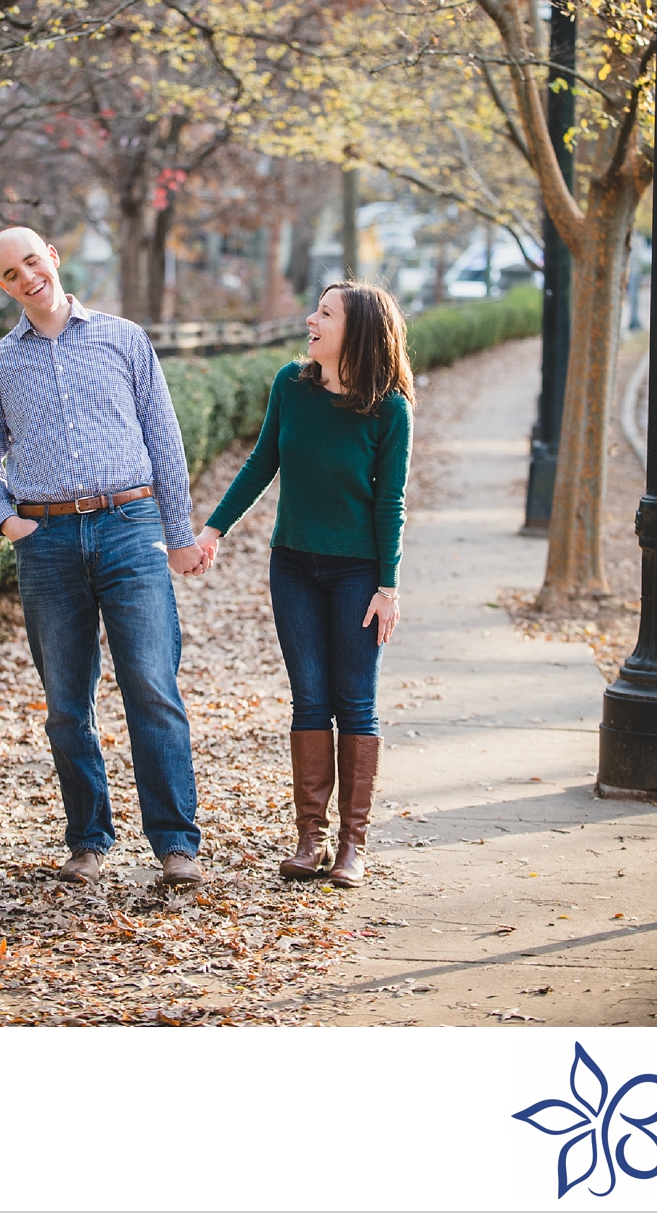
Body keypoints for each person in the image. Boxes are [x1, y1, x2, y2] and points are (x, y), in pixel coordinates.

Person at [0, 228, 210, 887]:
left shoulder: (124, 340)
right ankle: (88, 840)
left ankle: (176, 845)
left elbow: (165, 439)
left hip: (132, 526)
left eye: (32, 262)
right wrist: (8, 522)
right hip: (47, 543)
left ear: (54, 258)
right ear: (4, 286)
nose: (26, 278)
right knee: (67, 705)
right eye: (10, 274)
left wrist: (179, 534)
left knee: (152, 687)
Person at [195, 281, 412, 889]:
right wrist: (212, 531)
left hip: (357, 574)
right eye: (315, 309)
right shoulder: (291, 386)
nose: (310, 320)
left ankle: (353, 846)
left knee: (355, 701)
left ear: (357, 330)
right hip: (291, 564)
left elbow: (389, 503)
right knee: (310, 698)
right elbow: (262, 461)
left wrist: (387, 586)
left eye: (325, 313)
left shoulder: (389, 408)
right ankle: (309, 839)